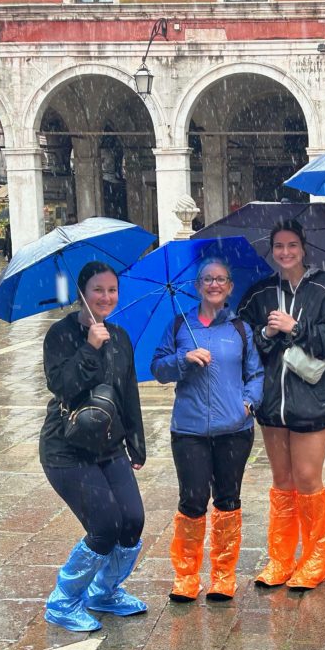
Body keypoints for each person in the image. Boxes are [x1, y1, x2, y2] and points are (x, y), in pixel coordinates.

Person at [237, 220, 325, 591]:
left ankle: (315, 560)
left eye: (292, 245)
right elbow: (245, 344)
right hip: (273, 402)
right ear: (272, 251)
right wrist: (267, 333)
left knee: (306, 477)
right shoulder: (259, 293)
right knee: (282, 480)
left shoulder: (324, 287)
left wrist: (295, 327)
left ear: (303, 248)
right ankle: (281, 559)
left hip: (314, 399)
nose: (285, 253)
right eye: (279, 247)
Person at [41, 261, 148, 631]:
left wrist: (136, 441)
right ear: (82, 294)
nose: (106, 297)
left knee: (132, 520)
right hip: (66, 448)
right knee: (105, 524)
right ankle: (63, 600)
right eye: (97, 290)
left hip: (109, 444)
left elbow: (127, 393)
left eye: (112, 290)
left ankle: (104, 592)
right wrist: (88, 347)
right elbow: (63, 386)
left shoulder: (119, 336)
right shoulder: (60, 334)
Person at [151, 258, 264, 603]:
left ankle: (223, 575)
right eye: (207, 280)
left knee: (228, 499)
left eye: (221, 279)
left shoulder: (241, 329)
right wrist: (182, 362)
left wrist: (247, 403)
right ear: (197, 286)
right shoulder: (178, 326)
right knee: (193, 499)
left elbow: (256, 374)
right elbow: (158, 368)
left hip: (234, 429)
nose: (214, 285)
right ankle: (186, 576)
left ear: (230, 287)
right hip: (189, 429)